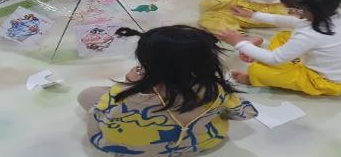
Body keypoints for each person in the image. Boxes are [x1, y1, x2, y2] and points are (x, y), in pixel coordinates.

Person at [78, 25, 257, 156]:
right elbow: (244, 113)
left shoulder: (123, 94)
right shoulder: (215, 89)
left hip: (133, 151)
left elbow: (101, 116)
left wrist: (128, 85)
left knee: (87, 95)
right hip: (204, 142)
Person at [216, 0, 341, 96]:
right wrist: (252, 15)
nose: (286, 10)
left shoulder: (309, 34)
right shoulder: (333, 15)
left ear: (299, 11)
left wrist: (239, 42)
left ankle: (251, 77)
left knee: (258, 71)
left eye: (287, 7)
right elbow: (293, 23)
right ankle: (257, 52)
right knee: (284, 35)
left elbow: (274, 59)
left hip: (330, 81)